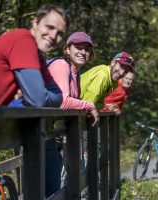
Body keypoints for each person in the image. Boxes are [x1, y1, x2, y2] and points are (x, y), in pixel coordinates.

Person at [43, 31, 99, 197]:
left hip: (53, 134)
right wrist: (89, 105)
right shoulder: (61, 65)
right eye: (78, 47)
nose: (83, 52)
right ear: (67, 49)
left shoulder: (76, 74)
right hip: (41, 133)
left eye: (87, 49)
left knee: (55, 186)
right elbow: (63, 101)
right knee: (53, 188)